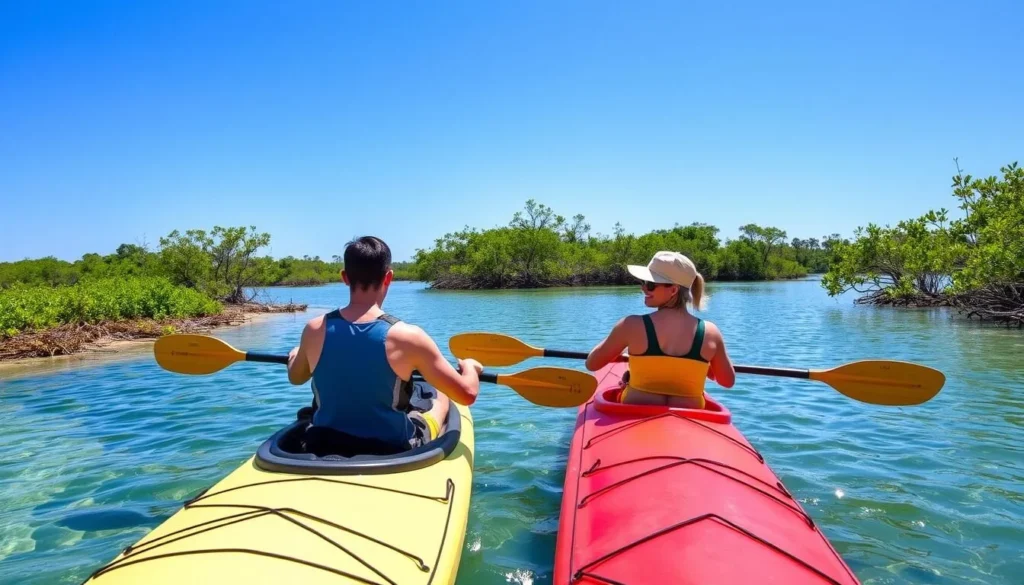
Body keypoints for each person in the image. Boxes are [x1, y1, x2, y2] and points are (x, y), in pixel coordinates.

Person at [286, 236, 483, 456]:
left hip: (323, 442)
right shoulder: (409, 337)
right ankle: (426, 422)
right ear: (388, 277)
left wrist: (295, 355)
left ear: (344, 277)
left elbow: (296, 377)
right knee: (442, 395)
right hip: (390, 448)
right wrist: (471, 369)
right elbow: (467, 394)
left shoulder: (314, 329)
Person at [585, 251, 735, 409]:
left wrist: (618, 342)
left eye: (650, 285)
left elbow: (592, 363)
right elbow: (727, 381)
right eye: (643, 282)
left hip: (634, 412)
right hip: (690, 416)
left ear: (673, 290)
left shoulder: (630, 326)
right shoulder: (711, 332)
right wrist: (700, 365)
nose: (643, 288)